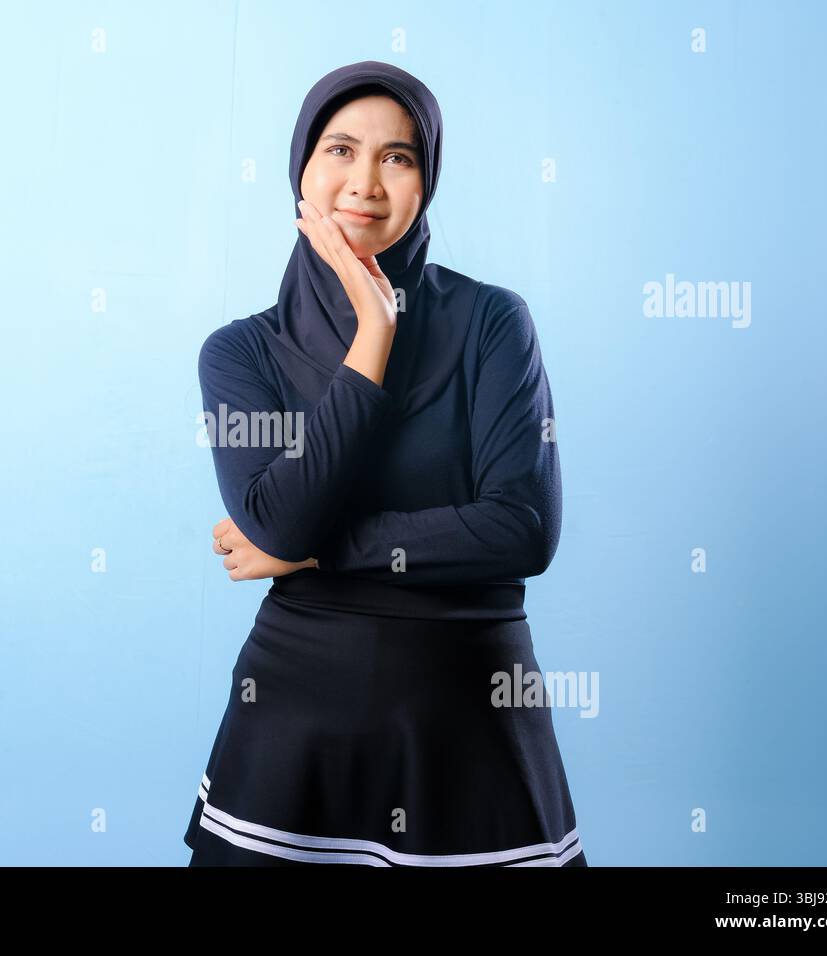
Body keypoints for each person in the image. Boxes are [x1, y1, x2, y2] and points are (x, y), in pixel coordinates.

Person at [186, 60, 586, 866]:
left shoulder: (491, 322)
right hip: (293, 724)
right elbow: (279, 517)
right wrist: (374, 333)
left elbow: (523, 530)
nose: (365, 181)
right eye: (339, 149)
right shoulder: (241, 353)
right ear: (301, 168)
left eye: (397, 158)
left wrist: (315, 552)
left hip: (474, 722)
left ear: (425, 180)